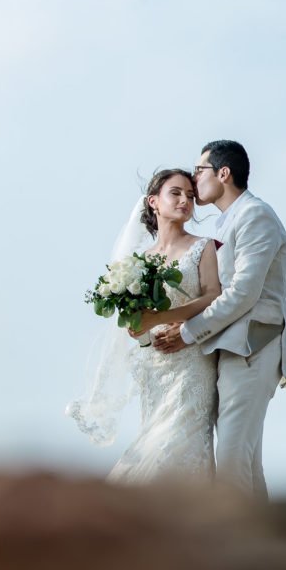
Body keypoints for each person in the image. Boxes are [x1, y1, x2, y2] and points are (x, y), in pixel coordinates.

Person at [147, 140, 286, 501]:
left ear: (223, 173)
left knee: (230, 459)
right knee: (245, 462)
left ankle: (239, 548)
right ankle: (262, 549)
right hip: (230, 349)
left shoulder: (254, 215)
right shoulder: (227, 222)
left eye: (199, 171)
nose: (195, 181)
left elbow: (243, 292)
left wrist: (187, 332)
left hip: (252, 346)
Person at [68, 169, 222, 484]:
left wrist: (162, 319)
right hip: (153, 365)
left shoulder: (203, 247)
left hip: (192, 363)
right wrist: (136, 325)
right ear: (153, 201)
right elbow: (134, 317)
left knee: (175, 442)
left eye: (191, 196)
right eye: (176, 193)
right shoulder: (137, 261)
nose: (185, 201)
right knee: (152, 434)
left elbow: (214, 297)